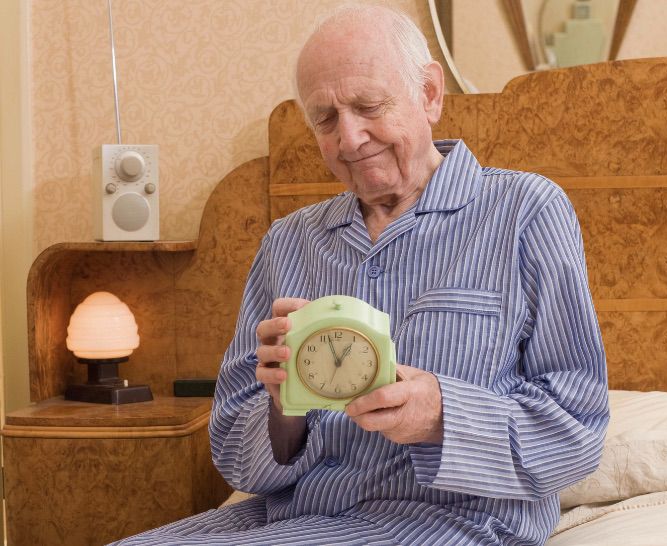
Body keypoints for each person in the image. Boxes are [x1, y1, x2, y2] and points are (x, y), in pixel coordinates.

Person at [114, 4, 608, 545]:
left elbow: (577, 430)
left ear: (430, 95)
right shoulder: (289, 242)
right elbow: (235, 450)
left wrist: (439, 416)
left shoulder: (524, 211)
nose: (349, 139)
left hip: (454, 524)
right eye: (325, 119)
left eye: (369, 106)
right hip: (289, 522)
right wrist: (285, 408)